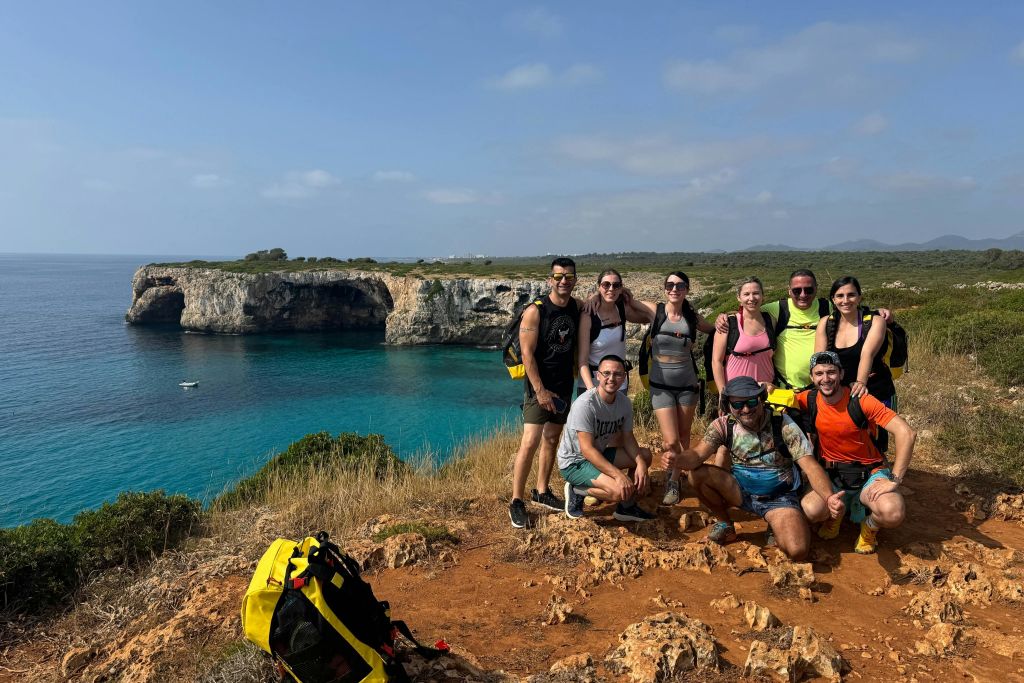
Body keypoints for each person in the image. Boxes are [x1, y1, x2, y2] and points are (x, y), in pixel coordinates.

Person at [662, 376, 845, 561]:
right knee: (697, 475)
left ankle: (779, 522)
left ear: (761, 399)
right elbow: (697, 455)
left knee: (797, 550)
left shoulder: (782, 423)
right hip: (741, 490)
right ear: (728, 406)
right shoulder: (724, 425)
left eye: (751, 402)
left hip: (779, 496)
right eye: (738, 405)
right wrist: (677, 460)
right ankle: (726, 524)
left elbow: (809, 465)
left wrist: (829, 497)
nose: (746, 409)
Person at [798, 351, 916, 554]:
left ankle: (870, 526)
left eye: (831, 372)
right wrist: (766, 387)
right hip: (832, 475)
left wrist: (895, 479)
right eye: (819, 374)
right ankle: (835, 516)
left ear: (842, 374)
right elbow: (776, 399)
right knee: (810, 509)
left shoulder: (861, 400)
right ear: (811, 377)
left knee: (892, 512)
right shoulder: (807, 399)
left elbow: (906, 433)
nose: (825, 379)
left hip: (868, 473)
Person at [715, 269, 892, 392]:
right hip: (783, 387)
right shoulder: (778, 309)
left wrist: (880, 312)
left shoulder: (827, 307)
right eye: (797, 290)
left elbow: (849, 307)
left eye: (808, 290)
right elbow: (750, 311)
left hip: (821, 387)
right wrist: (724, 317)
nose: (802, 295)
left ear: (816, 289)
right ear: (789, 291)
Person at [630, 272, 716, 505]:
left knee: (685, 434)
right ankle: (673, 475)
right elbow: (628, 303)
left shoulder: (691, 317)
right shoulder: (655, 311)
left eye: (679, 285)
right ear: (664, 288)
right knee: (670, 441)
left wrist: (727, 322)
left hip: (688, 384)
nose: (674, 289)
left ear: (686, 289)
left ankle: (674, 479)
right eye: (670, 285)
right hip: (661, 387)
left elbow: (713, 330)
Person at [509, 257, 580, 528]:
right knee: (530, 440)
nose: (564, 281)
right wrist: (540, 391)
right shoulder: (536, 311)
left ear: (575, 280)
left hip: (563, 384)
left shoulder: (576, 307)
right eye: (559, 276)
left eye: (569, 277)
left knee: (552, 438)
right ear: (550, 279)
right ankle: (516, 500)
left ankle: (541, 490)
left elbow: (595, 305)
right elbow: (526, 354)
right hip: (539, 385)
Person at [559, 355, 655, 522]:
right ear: (598, 376)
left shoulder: (624, 403)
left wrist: (640, 463)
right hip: (575, 463)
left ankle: (626, 508)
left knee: (645, 456)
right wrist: (618, 475)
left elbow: (628, 437)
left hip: (599, 455)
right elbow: (587, 450)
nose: (612, 378)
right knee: (618, 490)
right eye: (606, 373)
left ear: (624, 377)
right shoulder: (586, 405)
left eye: (617, 374)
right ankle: (576, 490)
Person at [814, 276, 895, 405]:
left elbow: (867, 354)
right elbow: (819, 361)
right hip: (839, 393)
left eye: (851, 295)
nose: (845, 300)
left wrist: (860, 383)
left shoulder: (875, 321)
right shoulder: (825, 323)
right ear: (833, 300)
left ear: (859, 297)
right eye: (840, 296)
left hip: (876, 391)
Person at [710, 276, 776, 407]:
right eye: (746, 294)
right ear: (739, 298)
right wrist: (723, 395)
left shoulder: (771, 321)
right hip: (737, 395)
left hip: (766, 392)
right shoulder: (728, 324)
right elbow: (716, 362)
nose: (751, 298)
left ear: (763, 296)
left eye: (756, 293)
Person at [576, 269, 643, 396]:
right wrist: (591, 391)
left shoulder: (621, 309)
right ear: (599, 287)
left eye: (616, 285)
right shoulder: (589, 315)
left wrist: (632, 300)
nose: (611, 289)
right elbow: (582, 361)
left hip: (618, 384)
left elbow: (650, 315)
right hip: (592, 384)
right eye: (606, 285)